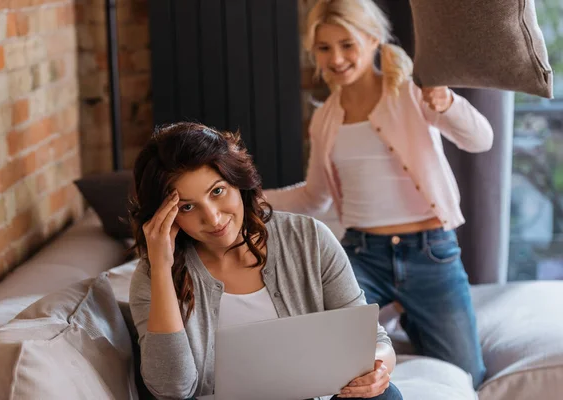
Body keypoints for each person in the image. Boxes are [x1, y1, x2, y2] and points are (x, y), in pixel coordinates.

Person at [263, 0, 491, 389]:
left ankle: (410, 318)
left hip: (431, 253)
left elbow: (481, 139)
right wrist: (253, 200)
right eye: (324, 48)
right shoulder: (325, 118)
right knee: (325, 355)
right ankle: (396, 323)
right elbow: (314, 198)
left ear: (372, 40)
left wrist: (449, 104)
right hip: (362, 255)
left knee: (469, 372)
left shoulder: (411, 93)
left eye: (347, 44)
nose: (335, 58)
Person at [128, 122, 403, 400]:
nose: (212, 218)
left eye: (217, 191)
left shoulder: (309, 238)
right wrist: (162, 268)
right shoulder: (153, 275)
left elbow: (374, 342)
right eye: (187, 207)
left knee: (385, 395)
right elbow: (171, 389)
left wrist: (377, 370)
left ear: (237, 182)